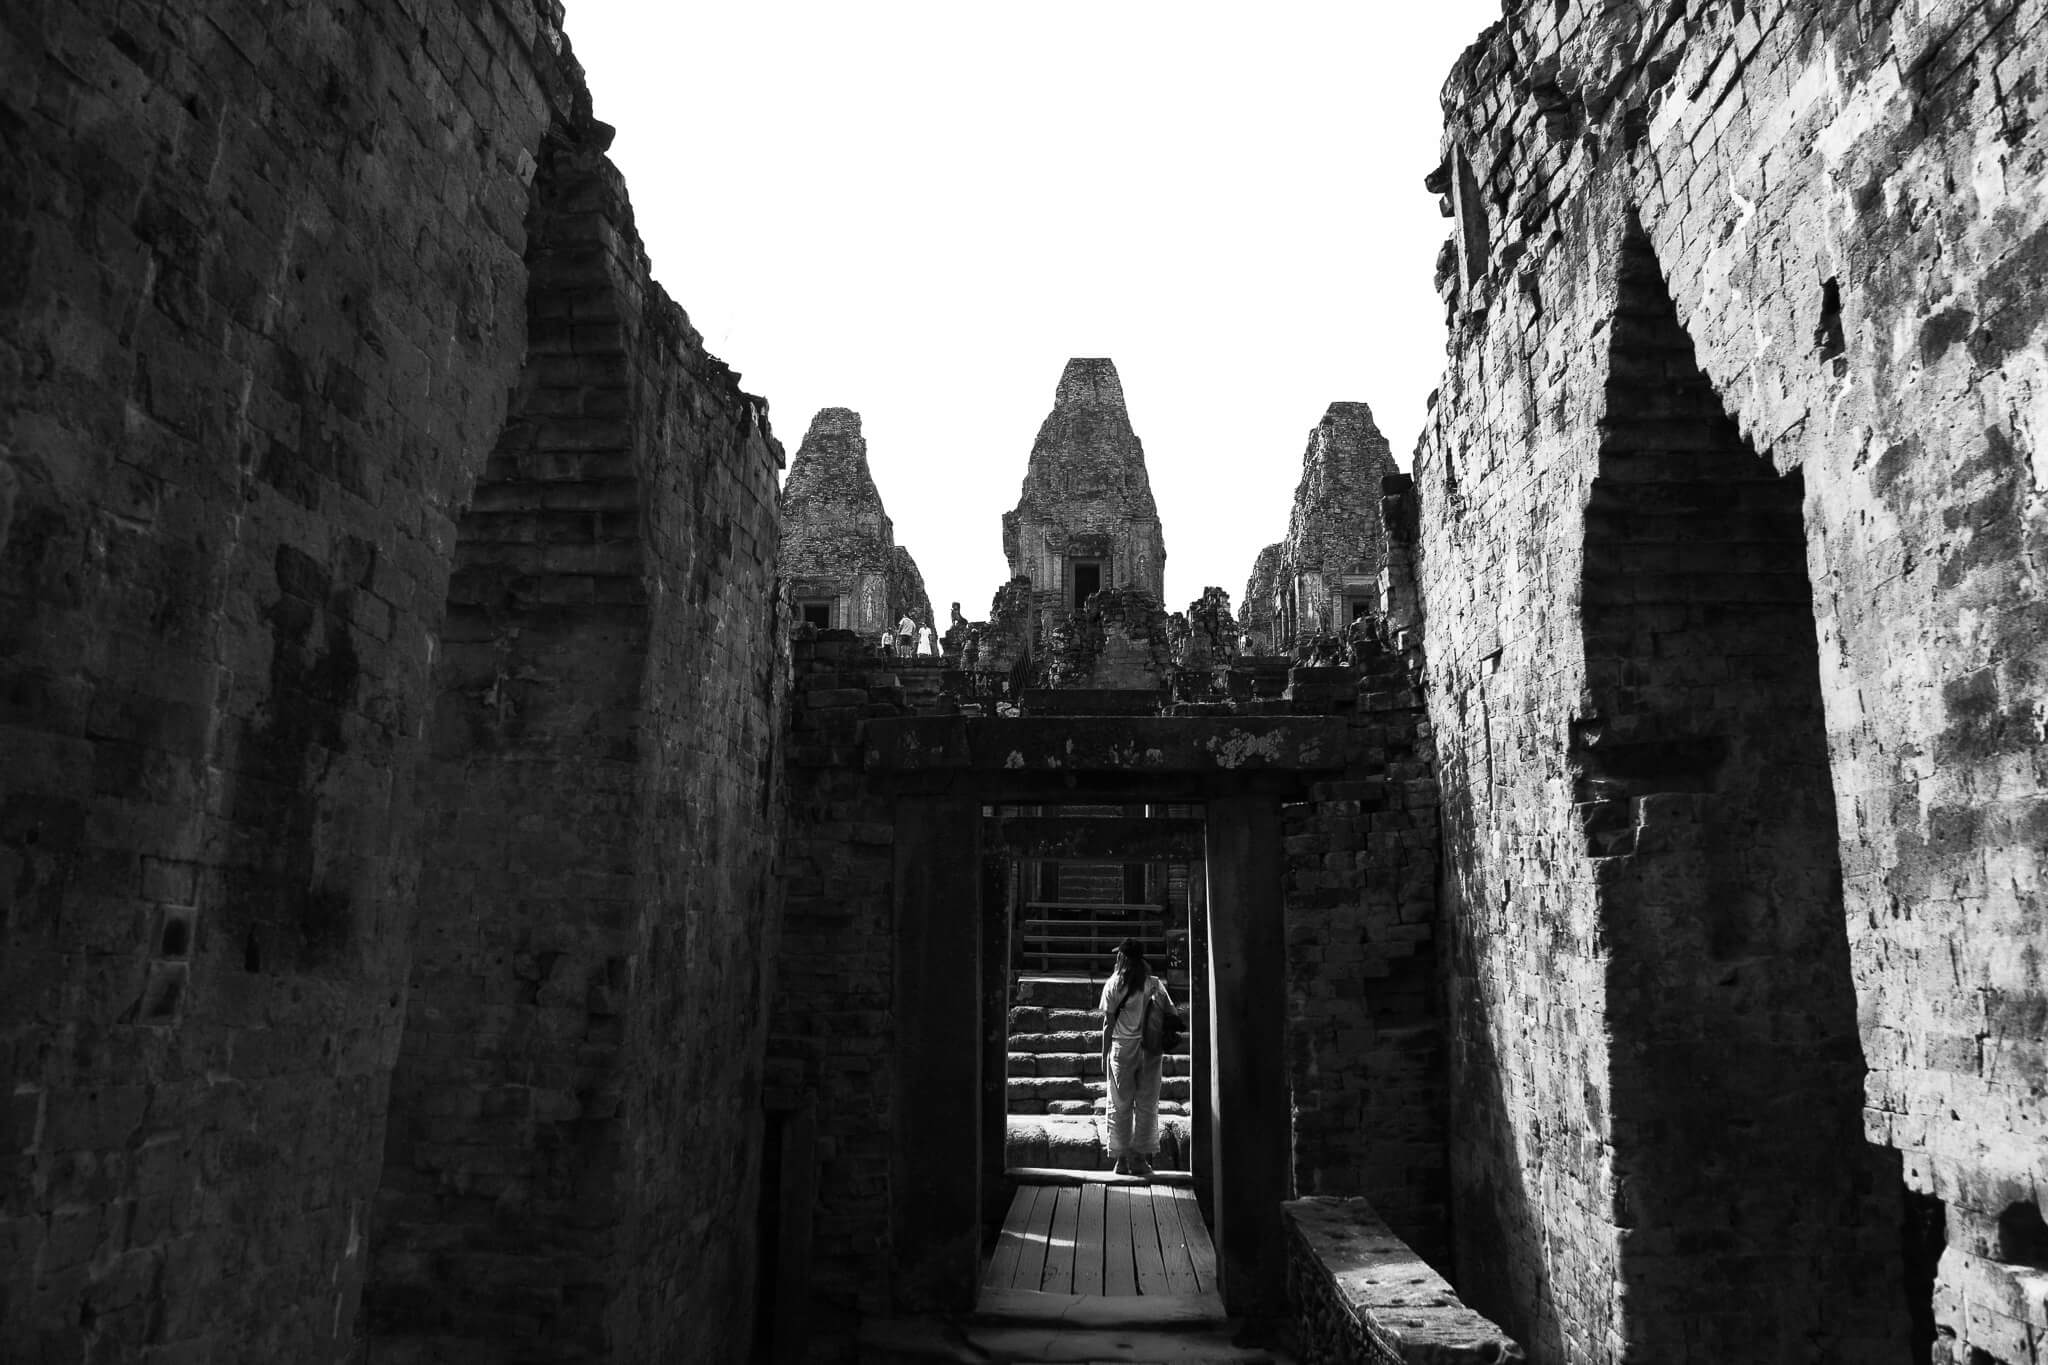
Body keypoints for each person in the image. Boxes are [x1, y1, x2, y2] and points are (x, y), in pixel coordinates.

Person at [1098, 937, 1174, 1178]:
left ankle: (1121, 1160)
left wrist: (1103, 1054)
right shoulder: (1155, 984)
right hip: (1150, 1049)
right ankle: (1140, 1159)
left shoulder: (1113, 985)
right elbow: (1171, 1014)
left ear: (1121, 958)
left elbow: (1108, 1024)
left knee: (1119, 1104)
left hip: (1122, 1050)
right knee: (1147, 1105)